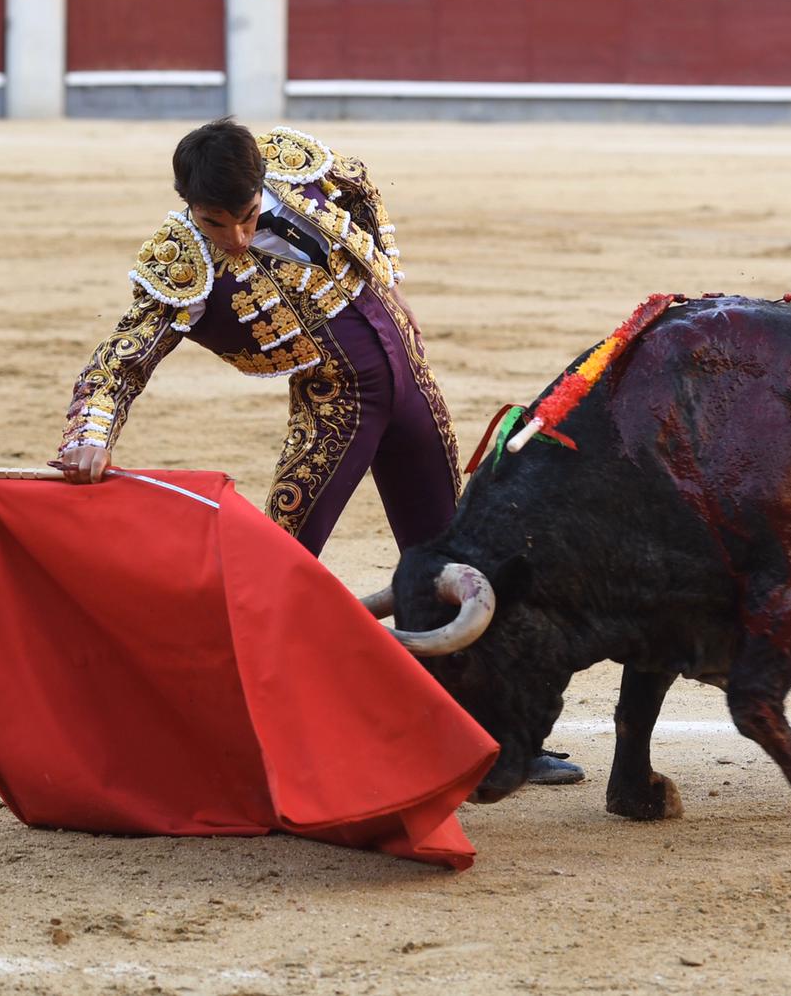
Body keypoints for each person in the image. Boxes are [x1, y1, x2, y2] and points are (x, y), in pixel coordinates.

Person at [56, 121, 584, 787]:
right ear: (188, 204)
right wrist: (91, 434)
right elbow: (122, 358)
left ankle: (496, 744)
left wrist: (386, 276)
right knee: (276, 568)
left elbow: (359, 185)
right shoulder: (180, 258)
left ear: (262, 186)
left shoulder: (294, 164)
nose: (236, 238)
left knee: (454, 562)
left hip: (412, 383)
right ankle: (239, 742)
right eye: (216, 223)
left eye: (247, 216)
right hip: (336, 408)